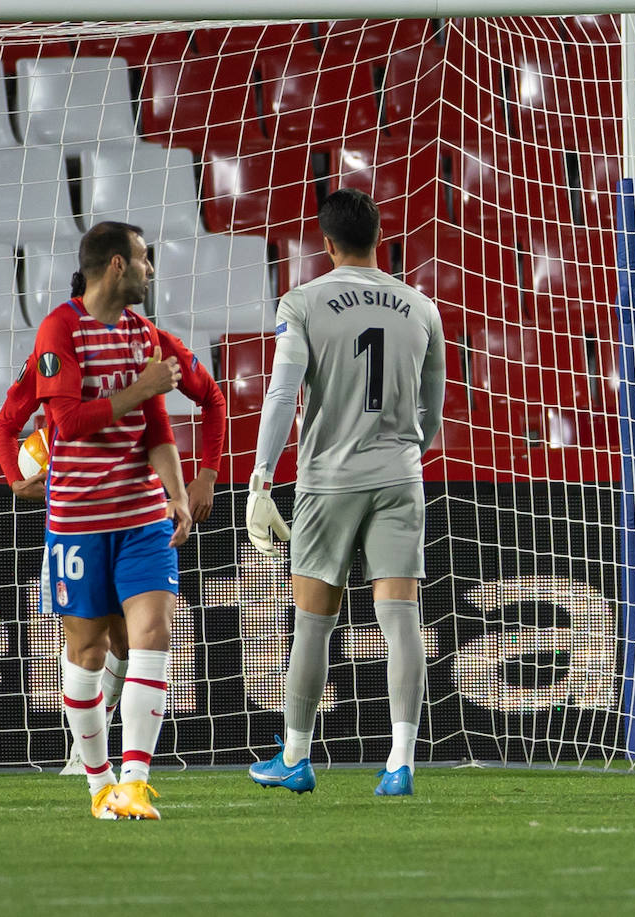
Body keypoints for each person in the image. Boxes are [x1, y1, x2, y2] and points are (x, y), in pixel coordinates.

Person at [244, 189, 445, 797]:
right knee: (400, 618)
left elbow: (282, 394)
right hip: (400, 477)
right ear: (379, 238)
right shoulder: (420, 307)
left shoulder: (303, 302)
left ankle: (297, 757)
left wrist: (259, 476)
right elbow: (432, 414)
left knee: (312, 622)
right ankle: (401, 761)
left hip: (328, 482)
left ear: (326, 244)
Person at [0, 271, 227, 778]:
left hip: (136, 513)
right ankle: (91, 754)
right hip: (78, 514)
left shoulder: (149, 341)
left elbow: (201, 402)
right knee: (90, 642)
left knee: (137, 638)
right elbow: (6, 424)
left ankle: (116, 766)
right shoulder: (56, 348)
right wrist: (16, 480)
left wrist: (203, 476)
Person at [24, 220, 192, 819]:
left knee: (153, 637)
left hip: (142, 515)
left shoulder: (142, 332)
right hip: (77, 521)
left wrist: (176, 493)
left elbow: (157, 429)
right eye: (145, 259)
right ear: (117, 265)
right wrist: (141, 387)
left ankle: (136, 782)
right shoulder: (59, 330)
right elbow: (66, 423)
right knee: (88, 652)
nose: (151, 269)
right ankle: (99, 784)